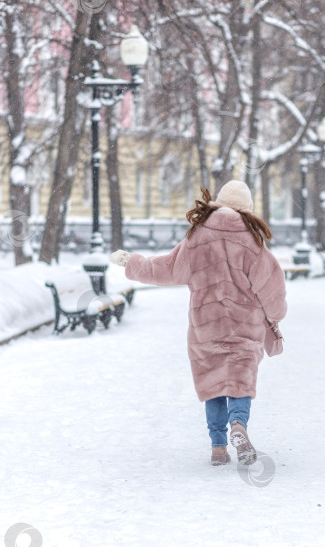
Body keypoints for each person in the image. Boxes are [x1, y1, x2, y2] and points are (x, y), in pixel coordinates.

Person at [110, 180, 287, 466]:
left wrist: (132, 262)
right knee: (240, 383)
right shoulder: (254, 243)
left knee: (213, 385)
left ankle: (218, 446)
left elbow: (165, 269)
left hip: (206, 329)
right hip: (244, 328)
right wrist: (276, 315)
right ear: (247, 209)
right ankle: (238, 425)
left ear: (219, 203)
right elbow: (273, 288)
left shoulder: (197, 238)